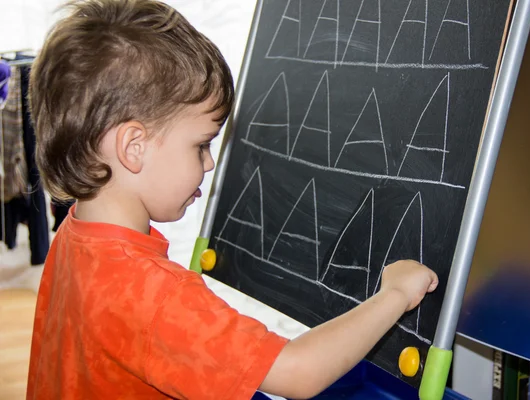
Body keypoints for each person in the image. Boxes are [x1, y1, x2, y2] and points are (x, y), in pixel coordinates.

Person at [26, 1, 439, 399]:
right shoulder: (153, 295)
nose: (209, 163)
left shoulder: (75, 236)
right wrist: (395, 295)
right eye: (201, 145)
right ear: (134, 147)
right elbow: (298, 371)